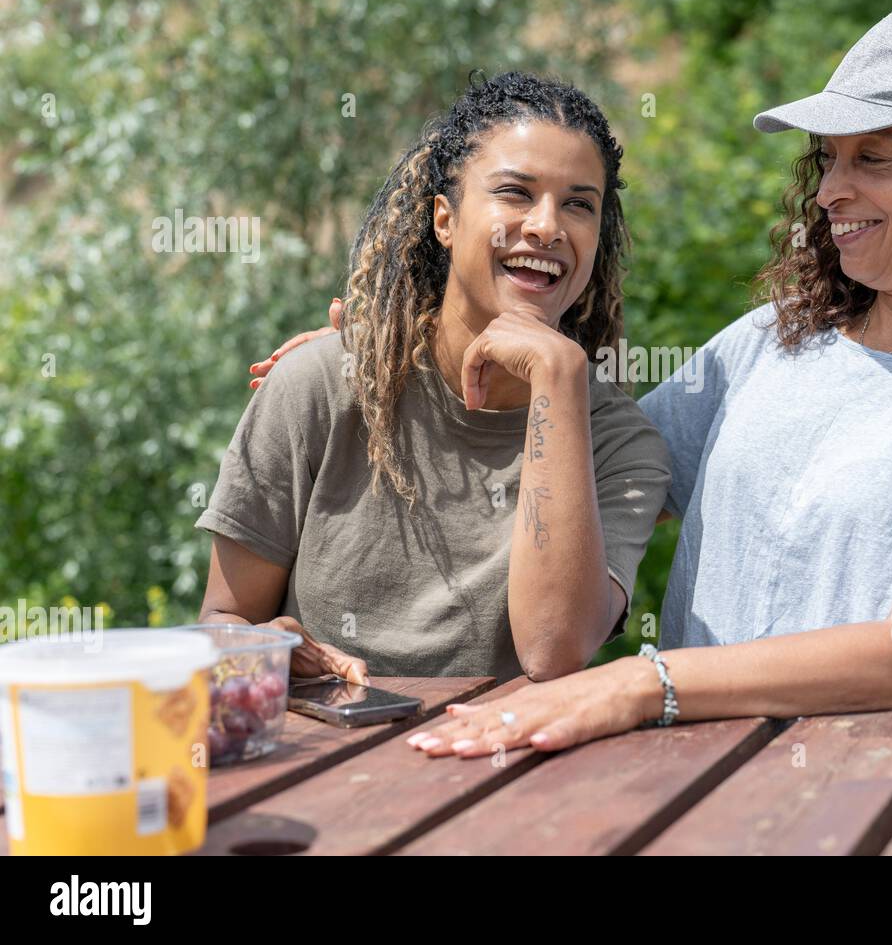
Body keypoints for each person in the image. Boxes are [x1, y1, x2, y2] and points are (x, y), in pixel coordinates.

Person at [257, 4, 892, 755]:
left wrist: (640, 682)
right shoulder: (771, 343)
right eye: (829, 159)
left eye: (874, 159)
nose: (833, 190)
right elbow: (572, 463)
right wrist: (404, 360)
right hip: (697, 794)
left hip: (876, 803)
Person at [196, 72, 671, 686]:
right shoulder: (318, 386)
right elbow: (221, 622)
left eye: (579, 204)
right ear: (444, 220)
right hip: (319, 763)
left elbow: (553, 651)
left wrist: (558, 379)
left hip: (504, 768)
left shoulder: (622, 447)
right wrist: (261, 647)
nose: (547, 227)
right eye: (515, 193)